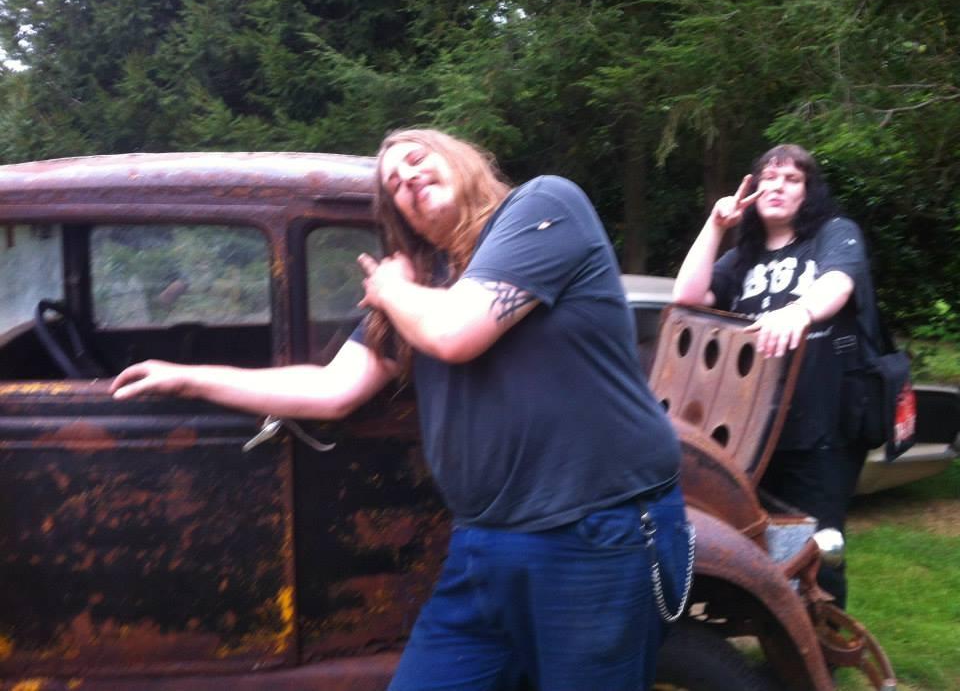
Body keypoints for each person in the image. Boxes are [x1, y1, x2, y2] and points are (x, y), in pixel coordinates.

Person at [111, 128, 691, 691]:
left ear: (463, 159)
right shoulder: (424, 285)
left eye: (416, 159)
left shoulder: (542, 207)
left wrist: (390, 289)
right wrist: (189, 378)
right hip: (484, 543)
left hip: (595, 531)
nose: (405, 178)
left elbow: (455, 332)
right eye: (392, 183)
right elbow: (332, 389)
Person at [673, 143, 870, 609]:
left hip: (820, 428)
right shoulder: (744, 256)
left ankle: (820, 642)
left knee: (817, 548)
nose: (777, 186)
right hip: (754, 429)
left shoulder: (832, 234)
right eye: (769, 177)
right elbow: (687, 298)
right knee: (760, 542)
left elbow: (839, 282)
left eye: (791, 179)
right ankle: (769, 632)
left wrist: (800, 311)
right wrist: (715, 226)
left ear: (808, 191)